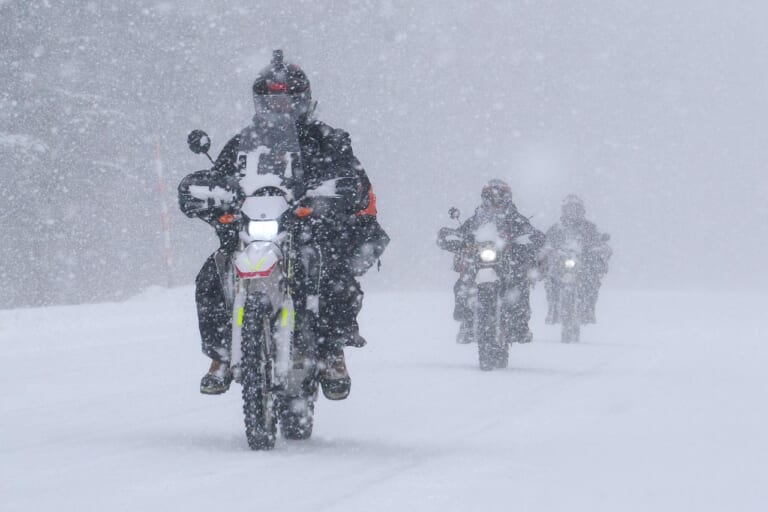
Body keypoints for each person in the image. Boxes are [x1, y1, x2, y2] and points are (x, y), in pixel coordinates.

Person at [178, 50, 388, 400]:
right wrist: (209, 195)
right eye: (271, 100)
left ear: (302, 100)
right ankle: (220, 356)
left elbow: (352, 180)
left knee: (332, 272)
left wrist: (328, 197)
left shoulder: (327, 140)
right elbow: (219, 178)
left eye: (287, 99)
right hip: (251, 231)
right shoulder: (242, 144)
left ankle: (331, 352)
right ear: (259, 102)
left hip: (307, 230)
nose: (279, 106)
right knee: (211, 276)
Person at [438, 179, 544, 345]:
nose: (496, 200)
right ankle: (466, 321)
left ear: (507, 198)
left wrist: (531, 240)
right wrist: (452, 238)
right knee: (463, 282)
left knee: (520, 284)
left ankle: (521, 324)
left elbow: (531, 233)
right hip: (479, 263)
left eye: (500, 197)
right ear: (484, 198)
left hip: (509, 263)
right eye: (490, 196)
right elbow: (459, 233)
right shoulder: (475, 219)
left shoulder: (516, 219)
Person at [542, 194, 611, 324]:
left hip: (583, 264)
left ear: (581, 210)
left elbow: (600, 244)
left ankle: (589, 309)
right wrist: (548, 252)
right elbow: (546, 244)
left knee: (592, 282)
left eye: (575, 209)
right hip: (560, 264)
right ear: (564, 210)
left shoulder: (590, 227)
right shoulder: (555, 228)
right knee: (550, 282)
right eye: (569, 209)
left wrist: (598, 250)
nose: (572, 212)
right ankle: (553, 308)